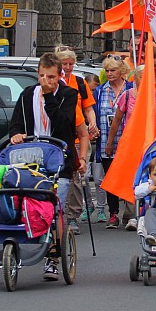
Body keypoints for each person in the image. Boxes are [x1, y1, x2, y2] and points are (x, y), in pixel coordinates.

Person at [8, 52, 89, 280]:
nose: (46, 81)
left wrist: (49, 97)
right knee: (26, 202)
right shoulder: (26, 95)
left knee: (55, 207)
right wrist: (15, 134)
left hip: (59, 160)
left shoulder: (68, 94)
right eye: (42, 76)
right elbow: (15, 123)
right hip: (30, 157)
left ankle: (53, 256)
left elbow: (64, 126)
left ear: (59, 76)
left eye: (51, 77)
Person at [107, 64, 156, 231]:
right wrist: (110, 143)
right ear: (134, 78)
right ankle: (131, 215)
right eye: (141, 75)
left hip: (149, 143)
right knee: (132, 178)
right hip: (131, 143)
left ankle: (149, 213)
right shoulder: (127, 95)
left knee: (150, 177)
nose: (144, 79)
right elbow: (116, 121)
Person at [56, 48, 98, 234]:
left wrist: (93, 123)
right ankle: (58, 213)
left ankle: (73, 215)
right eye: (64, 64)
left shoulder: (79, 82)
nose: (67, 67)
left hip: (78, 135)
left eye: (70, 64)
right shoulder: (54, 82)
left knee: (76, 176)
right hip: (59, 136)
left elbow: (88, 107)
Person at [94, 55, 132, 226]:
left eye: (113, 70)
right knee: (110, 178)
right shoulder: (101, 90)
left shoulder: (130, 89)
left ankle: (129, 212)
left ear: (122, 71)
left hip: (127, 139)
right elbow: (95, 114)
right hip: (106, 140)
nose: (109, 73)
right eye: (107, 70)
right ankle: (113, 213)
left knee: (128, 176)